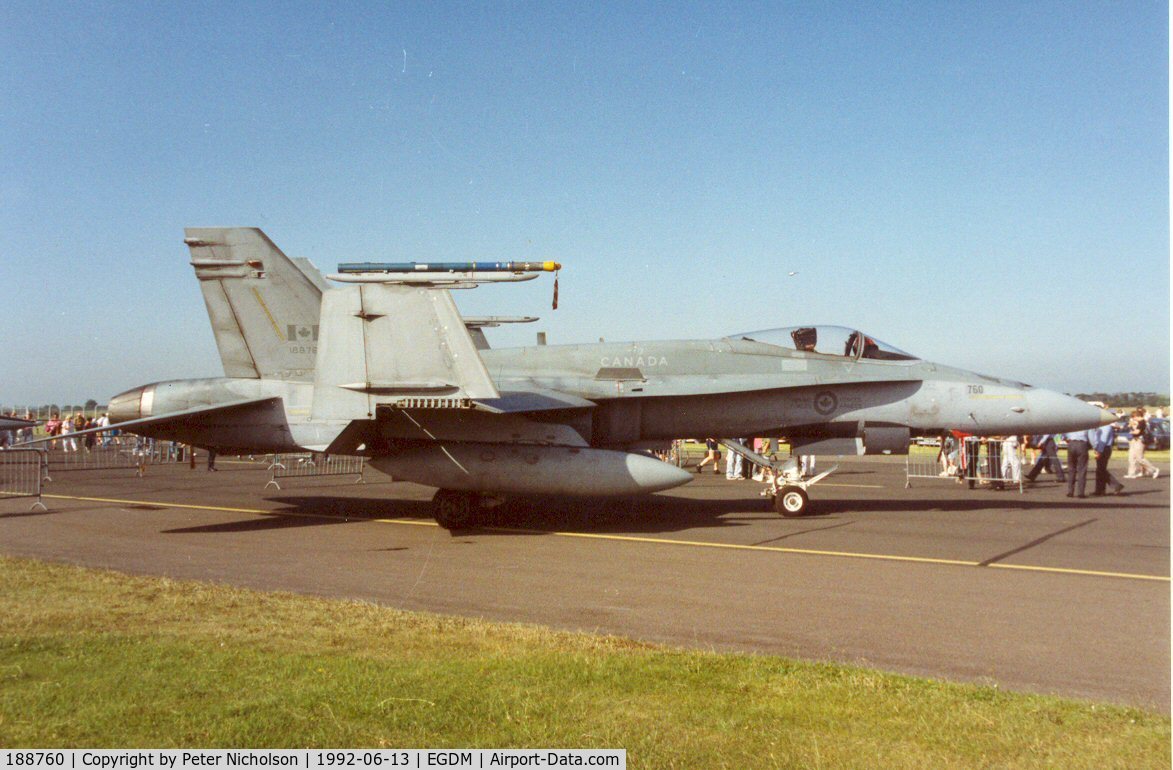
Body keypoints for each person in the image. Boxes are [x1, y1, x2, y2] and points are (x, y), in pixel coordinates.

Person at [1091, 417, 1124, 496]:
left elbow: (1103, 440)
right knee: (1100, 470)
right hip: (1102, 448)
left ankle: (1104, 489)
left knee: (1101, 470)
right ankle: (1101, 490)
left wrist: (1099, 451)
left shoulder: (1106, 426)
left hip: (1104, 449)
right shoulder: (1101, 426)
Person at [1126, 408, 1159, 479]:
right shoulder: (1139, 422)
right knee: (1131, 457)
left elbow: (1137, 432)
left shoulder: (1142, 422)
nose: (1133, 419)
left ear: (1137, 416)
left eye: (1133, 417)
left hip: (1140, 441)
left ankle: (1154, 470)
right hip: (1134, 440)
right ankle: (1131, 473)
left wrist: (1131, 432)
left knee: (1139, 458)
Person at [1063, 428, 1094, 498]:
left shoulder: (1072, 423)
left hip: (1071, 443)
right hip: (1082, 444)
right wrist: (1095, 447)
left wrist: (1067, 439)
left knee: (1071, 469)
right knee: (1082, 469)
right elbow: (1092, 437)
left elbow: (1064, 433)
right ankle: (1081, 492)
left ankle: (1070, 491)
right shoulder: (1088, 424)